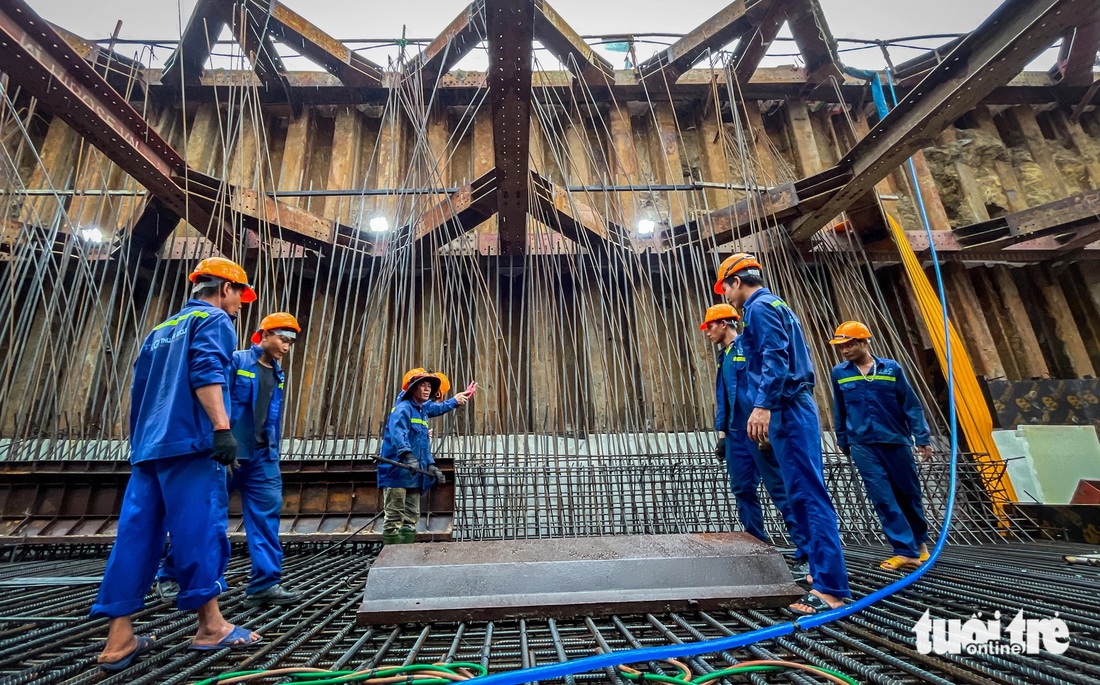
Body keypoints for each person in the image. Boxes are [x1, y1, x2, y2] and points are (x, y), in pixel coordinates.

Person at [91, 257, 262, 672]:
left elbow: (139, 391)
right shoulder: (215, 320)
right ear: (224, 288)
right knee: (199, 530)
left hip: (149, 448)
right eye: (240, 295)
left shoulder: (160, 330)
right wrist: (222, 429)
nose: (241, 304)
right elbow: (207, 373)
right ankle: (212, 627)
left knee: (136, 536)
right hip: (190, 444)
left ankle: (119, 639)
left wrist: (142, 442)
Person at [715, 252, 850, 616]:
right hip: (790, 406)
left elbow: (775, 359)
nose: (726, 296)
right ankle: (822, 574)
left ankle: (831, 589)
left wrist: (763, 406)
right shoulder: (775, 304)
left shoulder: (758, 308)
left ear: (737, 282)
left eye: (726, 288)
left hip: (788, 407)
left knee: (807, 495)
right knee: (800, 493)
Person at [156, 312, 304, 606]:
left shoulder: (278, 373)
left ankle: (265, 584)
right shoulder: (237, 362)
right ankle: (172, 577)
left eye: (290, 342)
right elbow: (213, 397)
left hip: (263, 458)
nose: (286, 346)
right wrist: (219, 438)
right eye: (282, 339)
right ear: (263, 336)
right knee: (206, 517)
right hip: (225, 456)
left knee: (265, 520)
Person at [701, 303, 809, 571]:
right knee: (742, 489)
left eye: (710, 326)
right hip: (736, 435)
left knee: (780, 489)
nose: (707, 332)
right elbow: (726, 396)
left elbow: (767, 382)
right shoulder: (724, 355)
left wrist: (770, 422)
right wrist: (723, 433)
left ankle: (806, 552)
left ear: (724, 323)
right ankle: (756, 544)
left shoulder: (748, 348)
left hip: (758, 431)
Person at [828, 320, 932, 571]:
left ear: (864, 342)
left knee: (908, 494)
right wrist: (843, 440)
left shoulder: (891, 369)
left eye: (849, 344)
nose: (845, 351)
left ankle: (920, 545)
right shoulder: (840, 373)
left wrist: (922, 438)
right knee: (882, 497)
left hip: (895, 440)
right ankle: (903, 551)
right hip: (862, 444)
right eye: (841, 347)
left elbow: (911, 405)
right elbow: (839, 410)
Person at [379, 369, 475, 545]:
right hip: (397, 471)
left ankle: (404, 553)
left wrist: (430, 465)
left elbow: (423, 444)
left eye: (429, 386)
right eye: (422, 385)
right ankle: (391, 557)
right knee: (394, 516)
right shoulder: (402, 409)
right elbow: (398, 435)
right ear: (413, 389)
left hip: (414, 472)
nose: (427, 389)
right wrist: (408, 456)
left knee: (411, 517)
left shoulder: (421, 412)